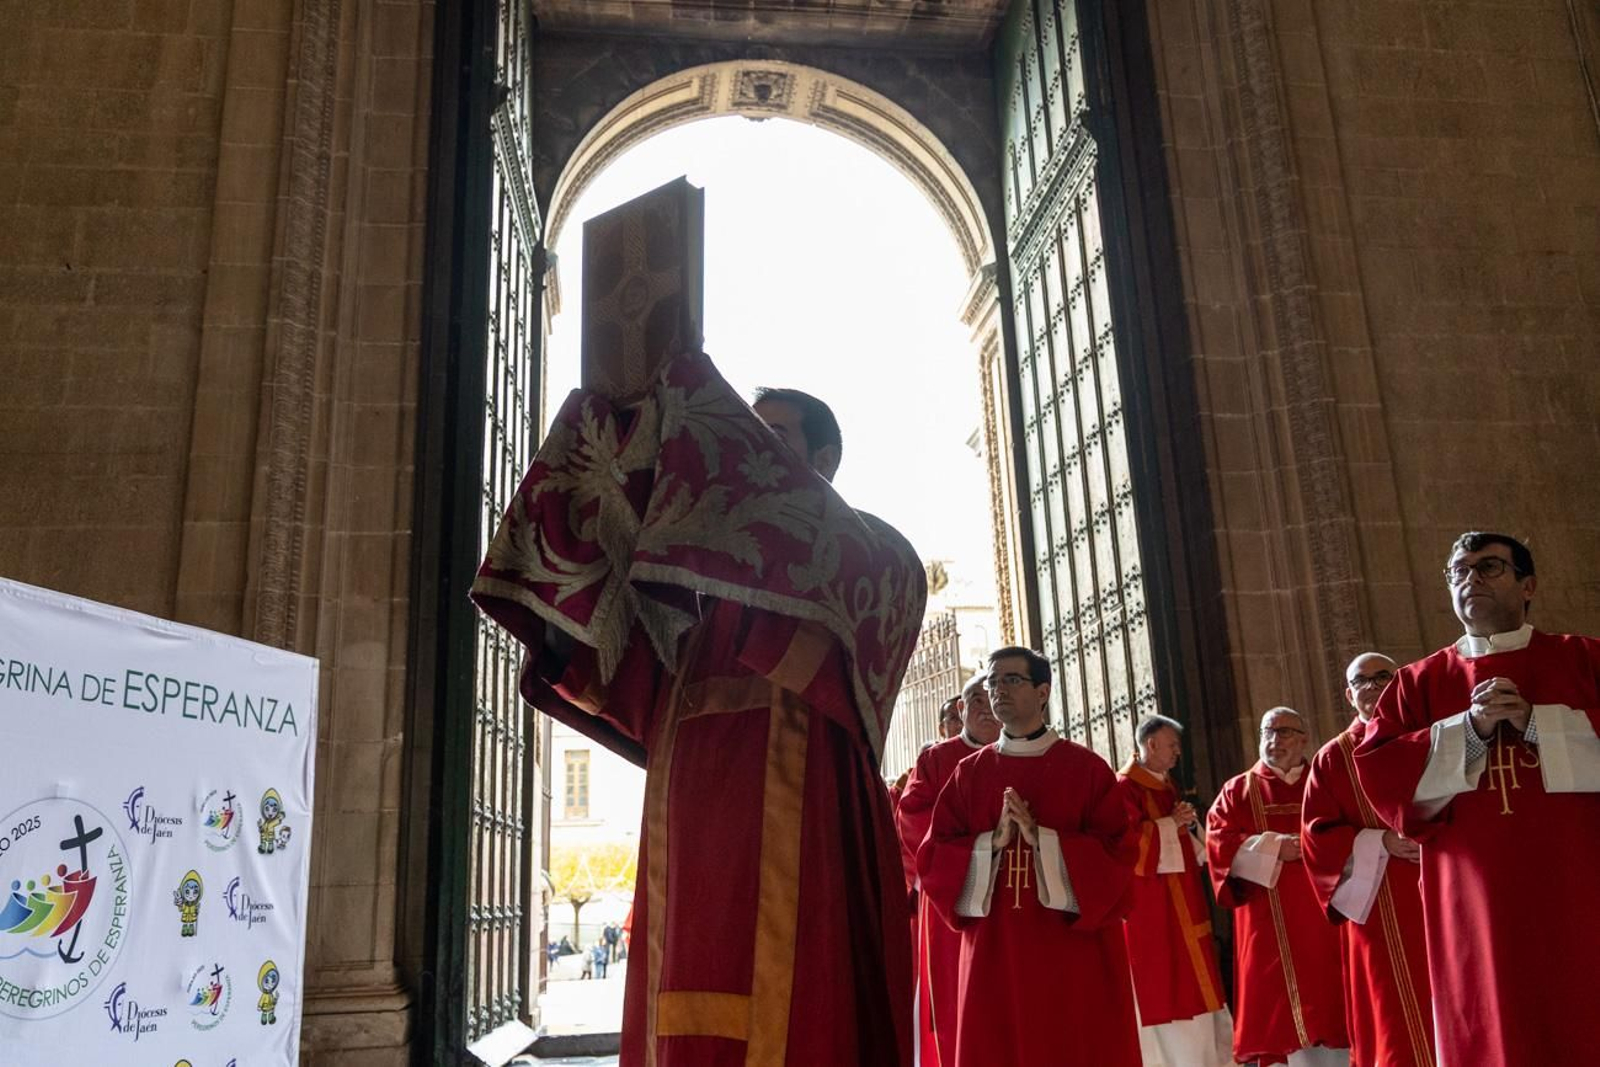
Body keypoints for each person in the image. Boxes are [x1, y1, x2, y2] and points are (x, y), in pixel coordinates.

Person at [473, 355, 926, 1066]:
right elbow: (631, 672)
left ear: (826, 459)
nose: (748, 451)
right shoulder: (699, 576)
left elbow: (833, 591)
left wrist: (702, 415)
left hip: (807, 829)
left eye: (771, 436)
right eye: (749, 435)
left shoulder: (880, 554)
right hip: (688, 828)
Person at [1355, 532, 1600, 1067]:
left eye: (1489, 567)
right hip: (1471, 905)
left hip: (1580, 891)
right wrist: (1469, 730)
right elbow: (1384, 775)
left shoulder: (1583, 660)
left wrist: (1537, 723)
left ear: (1527, 584)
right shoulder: (1416, 685)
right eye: (1458, 571)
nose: (1471, 579)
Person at [917, 648, 1140, 1066]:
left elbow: (1120, 854)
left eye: (1010, 680)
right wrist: (990, 843)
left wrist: (1045, 840)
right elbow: (934, 858)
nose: (997, 690)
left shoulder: (1087, 769)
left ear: (1042, 692)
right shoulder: (970, 773)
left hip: (1070, 954)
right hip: (994, 952)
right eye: (991, 682)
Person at [1302, 653, 1434, 1067]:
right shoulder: (1331, 758)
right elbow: (1316, 839)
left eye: (1383, 677)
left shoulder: (1430, 737)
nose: (1374, 686)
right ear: (1348, 694)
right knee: (1394, 1009)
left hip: (1441, 888)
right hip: (1379, 900)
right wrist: (1381, 844)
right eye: (1363, 681)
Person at [1207, 707, 1349, 1067]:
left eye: (1284, 732)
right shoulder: (1238, 790)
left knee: (1336, 1011)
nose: (1274, 740)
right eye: (1267, 732)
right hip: (1266, 923)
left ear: (1304, 738)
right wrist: (1272, 846)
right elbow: (1218, 843)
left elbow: (1351, 829)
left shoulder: (1325, 782)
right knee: (1276, 1019)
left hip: (1326, 920)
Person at [895, 672, 1002, 1067]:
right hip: (950, 899)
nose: (984, 707)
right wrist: (976, 851)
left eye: (989, 698)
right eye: (974, 700)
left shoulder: (1018, 753)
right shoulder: (936, 760)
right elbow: (911, 818)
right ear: (961, 709)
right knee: (953, 990)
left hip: (1011, 892)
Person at [1116, 715, 1233, 1067]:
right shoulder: (1125, 787)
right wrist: (1171, 824)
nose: (1178, 753)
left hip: (1183, 900)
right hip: (1152, 907)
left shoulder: (1167, 785)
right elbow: (1129, 846)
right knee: (1165, 983)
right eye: (1172, 745)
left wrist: (1184, 820)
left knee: (1196, 982)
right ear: (1150, 745)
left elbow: (1178, 836)